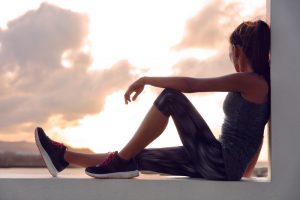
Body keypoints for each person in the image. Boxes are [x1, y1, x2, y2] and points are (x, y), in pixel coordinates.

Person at [35, 20, 270, 181]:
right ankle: (64, 158)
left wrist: (146, 79)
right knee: (136, 155)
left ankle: (119, 162)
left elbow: (192, 85)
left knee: (170, 97)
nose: (232, 60)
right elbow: (256, 135)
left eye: (231, 54)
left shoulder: (252, 81)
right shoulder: (258, 84)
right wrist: (244, 172)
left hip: (219, 162)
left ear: (239, 49)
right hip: (217, 162)